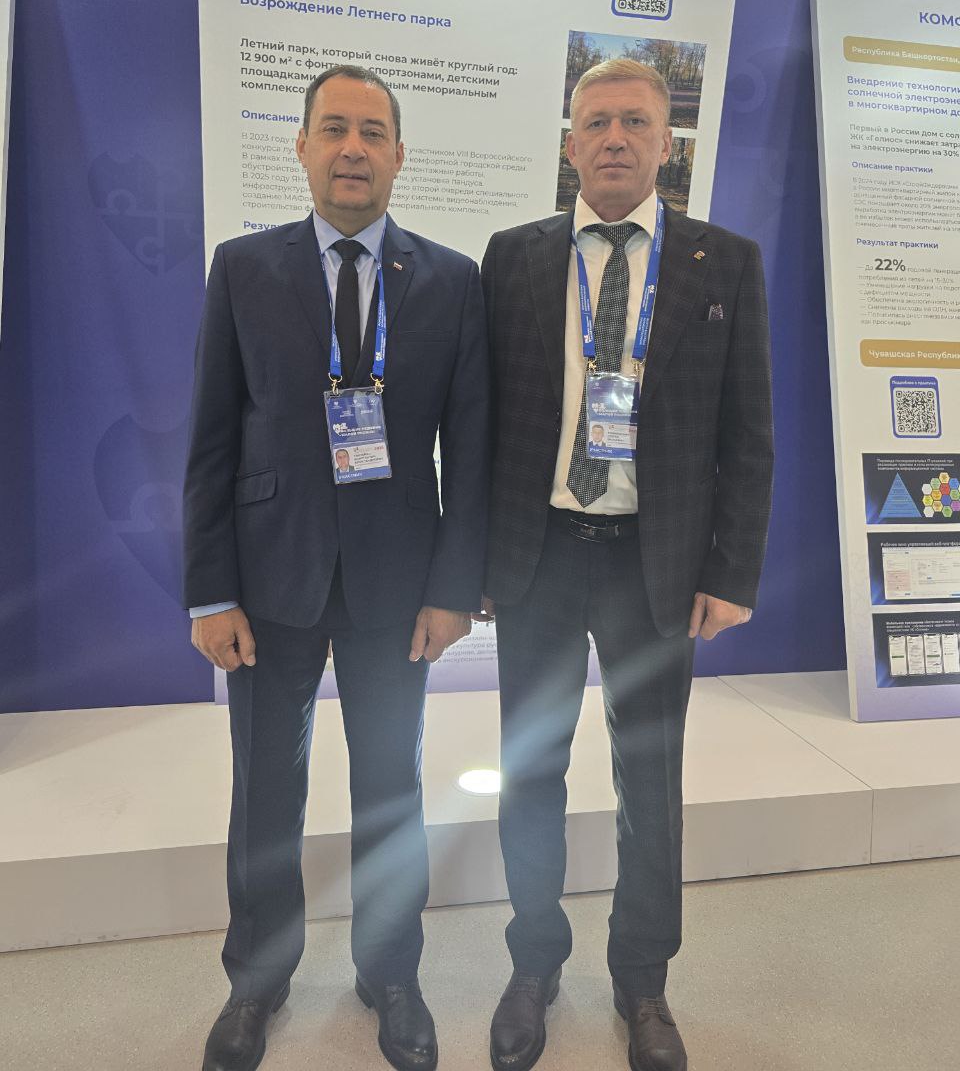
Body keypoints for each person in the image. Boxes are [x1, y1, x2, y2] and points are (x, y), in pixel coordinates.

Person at [183, 64, 489, 1071]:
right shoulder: (243, 268)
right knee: (264, 791)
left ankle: (390, 973)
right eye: (334, 128)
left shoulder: (451, 280)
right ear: (303, 146)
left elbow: (470, 449)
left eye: (372, 131)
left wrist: (453, 588)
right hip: (268, 578)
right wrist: (210, 590)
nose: (353, 148)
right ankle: (256, 981)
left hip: (398, 584)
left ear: (400, 154)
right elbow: (211, 441)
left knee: (391, 787)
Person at [479, 58, 773, 1071]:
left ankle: (643, 979)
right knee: (531, 770)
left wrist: (732, 570)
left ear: (666, 143)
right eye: (596, 121)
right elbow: (481, 422)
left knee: (651, 780)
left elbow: (750, 432)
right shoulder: (514, 256)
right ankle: (534, 961)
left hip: (658, 562)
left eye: (635, 122)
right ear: (570, 144)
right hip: (540, 556)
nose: (614, 137)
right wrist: (477, 559)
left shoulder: (723, 262)